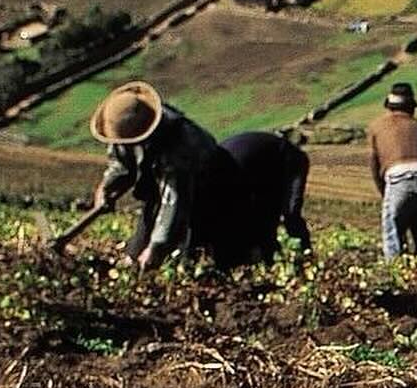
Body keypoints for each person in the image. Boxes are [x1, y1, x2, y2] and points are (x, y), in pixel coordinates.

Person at [89, 80, 244, 270]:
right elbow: (121, 164)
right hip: (161, 187)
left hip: (207, 187)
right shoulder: (126, 129)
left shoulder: (179, 143)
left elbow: (174, 200)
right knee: (134, 255)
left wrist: (157, 246)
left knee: (191, 257)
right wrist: (106, 188)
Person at [365, 81, 417, 258]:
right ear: (411, 108)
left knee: (393, 235)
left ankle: (395, 273)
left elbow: (374, 165)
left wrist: (384, 192)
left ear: (389, 107)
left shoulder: (376, 127)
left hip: (397, 178)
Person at [220, 129, 312, 261]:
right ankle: (266, 255)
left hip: (287, 160)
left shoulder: (220, 176)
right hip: (257, 166)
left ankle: (305, 253)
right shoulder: (216, 172)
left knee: (291, 213)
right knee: (258, 214)